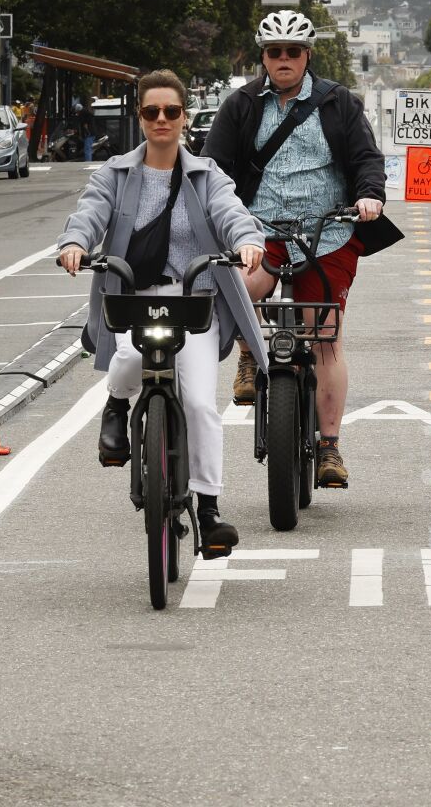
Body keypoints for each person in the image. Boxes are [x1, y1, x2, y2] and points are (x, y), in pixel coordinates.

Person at [57, 70, 267, 556]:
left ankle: (209, 510)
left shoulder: (207, 174)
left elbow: (231, 212)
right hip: (133, 298)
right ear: (140, 117)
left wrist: (248, 242)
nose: (161, 120)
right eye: (151, 112)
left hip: (193, 301)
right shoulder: (114, 173)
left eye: (171, 111)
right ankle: (116, 403)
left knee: (198, 404)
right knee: (127, 360)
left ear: (185, 117)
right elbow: (90, 213)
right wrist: (74, 243)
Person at [203, 10, 402, 489]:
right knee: (236, 287)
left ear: (307, 55)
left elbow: (365, 159)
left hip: (327, 234)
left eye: (293, 51)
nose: (284, 59)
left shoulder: (339, 103)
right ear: (264, 58)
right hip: (258, 230)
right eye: (275, 52)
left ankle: (330, 446)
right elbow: (212, 168)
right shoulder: (242, 105)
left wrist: (369, 194)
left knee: (326, 336)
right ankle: (249, 354)